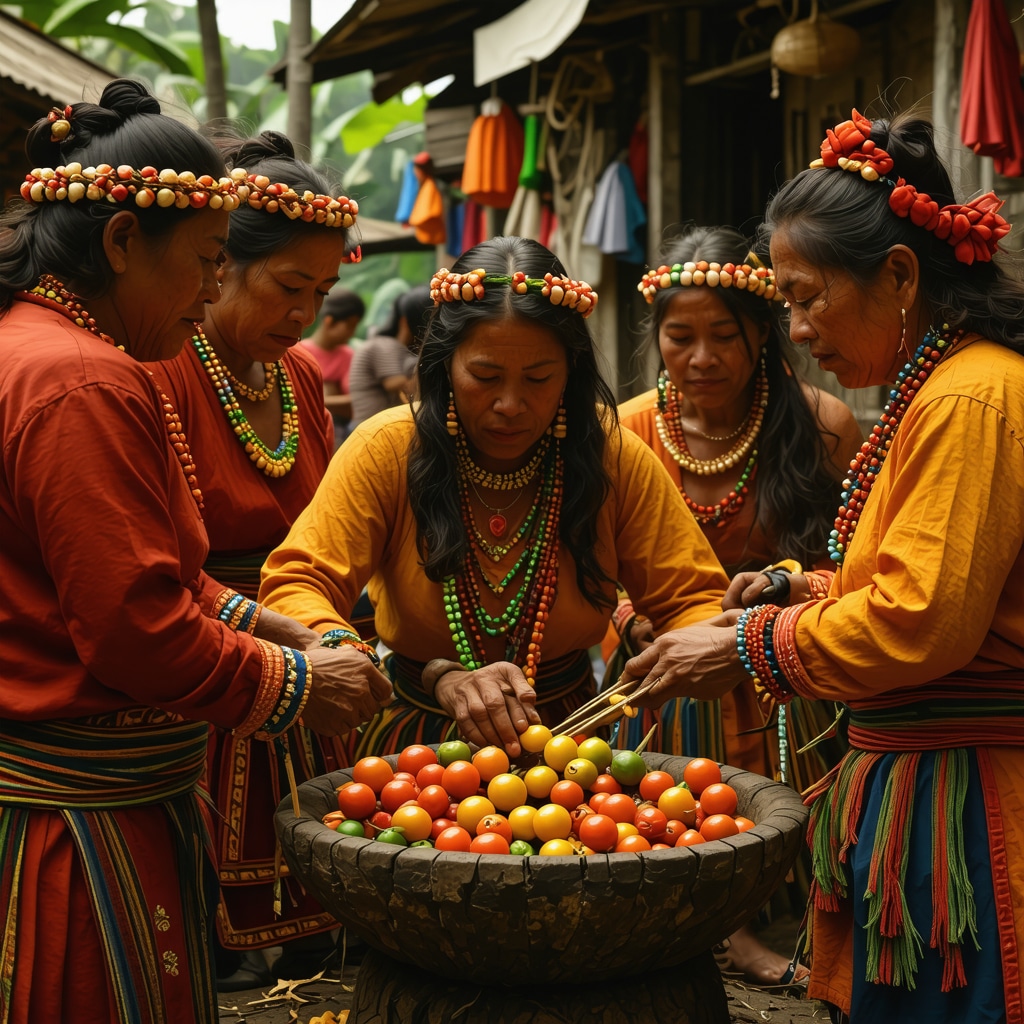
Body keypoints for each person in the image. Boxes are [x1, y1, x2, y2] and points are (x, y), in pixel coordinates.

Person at [0, 80, 391, 1024]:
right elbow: (135, 626)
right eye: (211, 259)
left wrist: (274, 627)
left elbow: (150, 577)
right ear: (124, 242)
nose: (217, 286)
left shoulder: (37, 348)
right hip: (78, 818)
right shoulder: (84, 378)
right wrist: (298, 683)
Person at [620, 110, 1023, 1023]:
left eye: (805, 298)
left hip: (971, 798)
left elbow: (920, 619)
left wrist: (750, 646)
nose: (797, 329)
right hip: (928, 777)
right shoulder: (936, 391)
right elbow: (904, 580)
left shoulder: (970, 397)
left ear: (901, 275)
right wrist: (791, 588)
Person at [260, 236, 730, 757]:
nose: (510, 404)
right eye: (485, 376)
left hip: (574, 744)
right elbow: (297, 584)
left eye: (538, 378)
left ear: (570, 372)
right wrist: (411, 667)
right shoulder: (386, 449)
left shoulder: (611, 454)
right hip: (414, 747)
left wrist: (693, 646)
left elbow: (692, 599)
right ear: (445, 366)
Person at [606, 225, 863, 986]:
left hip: (782, 655)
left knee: (818, 799)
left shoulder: (821, 423)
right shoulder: (626, 430)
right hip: (662, 662)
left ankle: (815, 916)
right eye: (679, 337)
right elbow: (598, 563)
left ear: (762, 335)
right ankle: (728, 928)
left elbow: (845, 561)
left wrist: (778, 586)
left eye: (724, 336)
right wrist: (633, 617)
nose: (701, 358)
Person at [154, 130, 362, 987]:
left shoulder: (302, 378)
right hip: (205, 659)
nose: (304, 315)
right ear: (218, 268)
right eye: (287, 287)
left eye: (320, 292)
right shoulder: (162, 370)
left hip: (307, 640)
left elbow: (332, 520)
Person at [347, 284, 432, 428]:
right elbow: (396, 383)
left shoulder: (398, 349)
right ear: (405, 321)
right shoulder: (384, 344)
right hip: (367, 430)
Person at [302, 286, 365, 447]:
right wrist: (332, 395)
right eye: (350, 325)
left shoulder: (348, 355)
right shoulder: (298, 353)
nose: (352, 333)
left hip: (336, 433)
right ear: (329, 321)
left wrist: (312, 399)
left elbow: (355, 402)